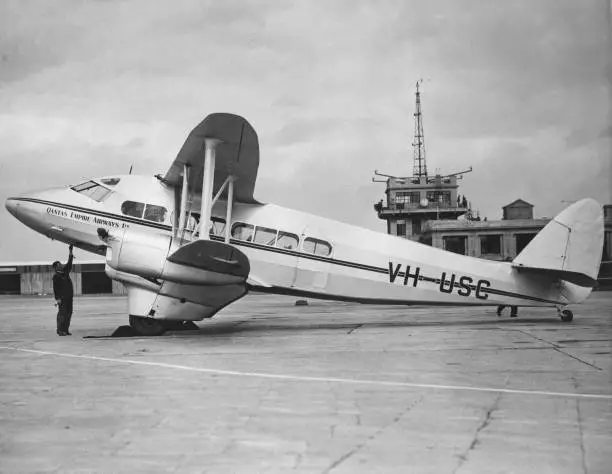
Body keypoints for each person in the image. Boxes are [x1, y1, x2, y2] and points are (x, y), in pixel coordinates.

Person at [52, 245, 74, 336]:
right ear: (55, 268)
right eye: (59, 265)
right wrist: (57, 299)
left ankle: (66, 330)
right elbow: (55, 289)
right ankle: (60, 330)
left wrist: (70, 252)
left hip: (69, 297)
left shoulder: (65, 272)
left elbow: (69, 263)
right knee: (62, 314)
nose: (61, 265)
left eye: (60, 264)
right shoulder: (56, 277)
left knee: (69, 313)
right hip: (62, 298)